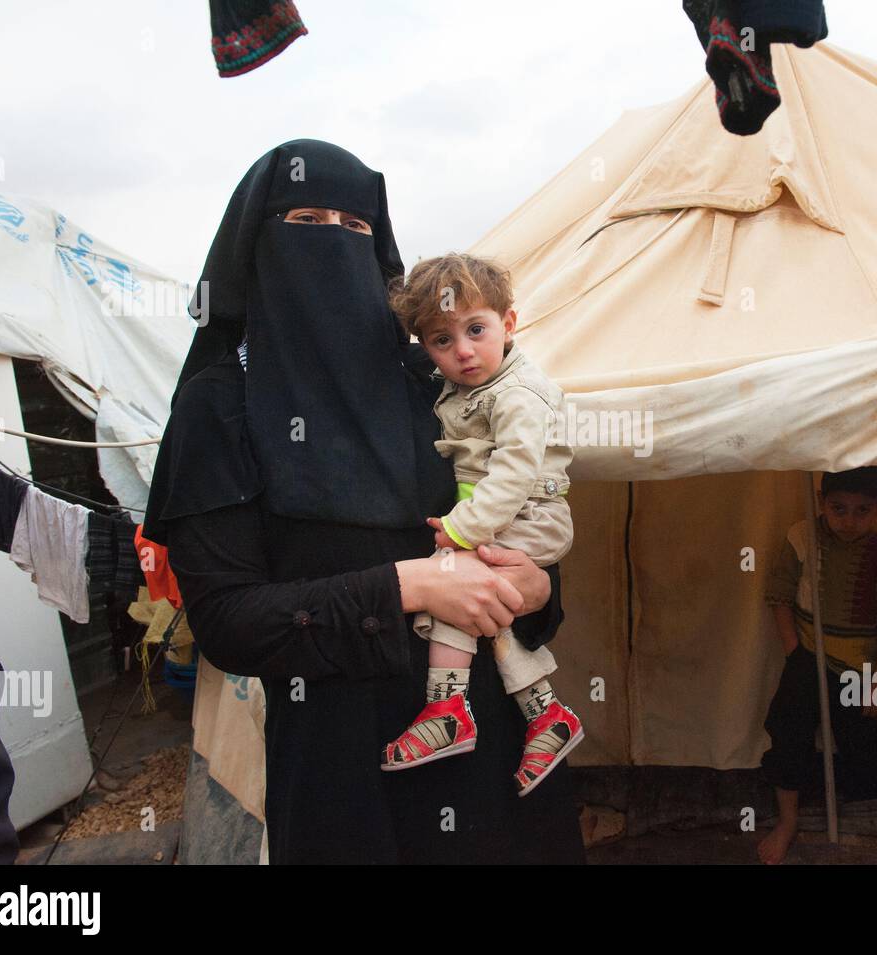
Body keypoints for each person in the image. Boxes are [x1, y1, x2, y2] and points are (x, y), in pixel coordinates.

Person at [141, 140, 585, 864]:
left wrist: (538, 585)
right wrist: (411, 584)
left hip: (493, 748)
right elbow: (227, 622)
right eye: (307, 221)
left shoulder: (435, 385)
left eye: (356, 230)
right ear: (256, 243)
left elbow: (517, 514)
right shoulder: (220, 407)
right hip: (343, 771)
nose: (334, 245)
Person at [381, 254, 584, 796]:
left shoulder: (518, 393)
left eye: (476, 329)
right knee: (487, 611)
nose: (463, 351)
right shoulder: (463, 388)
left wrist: (463, 531)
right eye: (441, 341)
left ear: (508, 324)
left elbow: (514, 474)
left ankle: (446, 709)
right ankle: (547, 716)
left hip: (528, 514)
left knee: (451, 580)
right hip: (503, 513)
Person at [756, 466, 877, 864]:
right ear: (821, 502)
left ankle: (863, 816)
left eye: (862, 511)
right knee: (788, 736)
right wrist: (796, 655)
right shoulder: (801, 537)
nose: (848, 521)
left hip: (859, 669)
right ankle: (787, 821)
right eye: (838, 508)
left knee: (869, 746)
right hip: (807, 658)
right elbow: (780, 597)